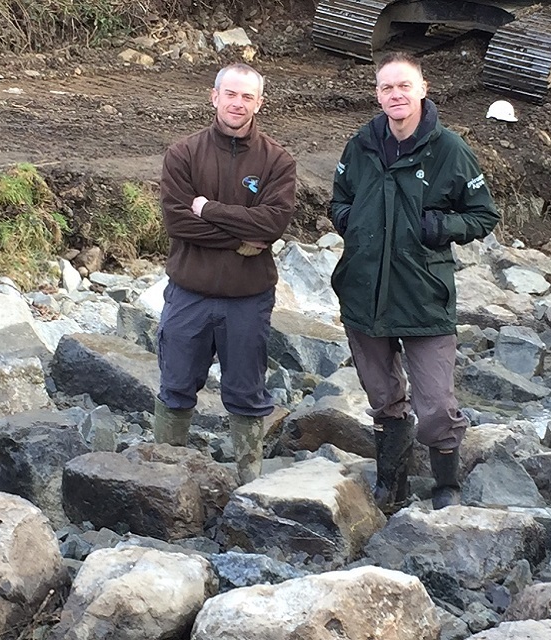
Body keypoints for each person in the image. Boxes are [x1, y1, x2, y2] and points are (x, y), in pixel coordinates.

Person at [330, 52, 500, 512]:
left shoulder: (450, 150)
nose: (396, 95)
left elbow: (484, 214)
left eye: (404, 86)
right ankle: (392, 485)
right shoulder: (361, 145)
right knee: (384, 399)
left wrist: (439, 229)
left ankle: (446, 487)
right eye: (387, 88)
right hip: (364, 292)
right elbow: (338, 200)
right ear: (377, 94)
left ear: (423, 88)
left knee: (437, 407)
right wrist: (352, 220)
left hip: (425, 295)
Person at [156, 63, 297, 484]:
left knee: (246, 393)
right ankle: (164, 476)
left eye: (247, 97)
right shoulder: (183, 154)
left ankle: (247, 482)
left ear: (259, 103)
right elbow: (178, 223)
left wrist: (209, 210)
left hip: (247, 298)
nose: (238, 103)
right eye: (230, 94)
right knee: (176, 385)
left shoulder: (277, 160)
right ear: (214, 96)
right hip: (189, 292)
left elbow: (272, 225)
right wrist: (239, 237)